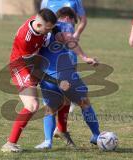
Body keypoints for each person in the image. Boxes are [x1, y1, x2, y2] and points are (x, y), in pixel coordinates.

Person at [34, 7, 100, 149]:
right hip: (65, 73)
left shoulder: (39, 28)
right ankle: (96, 135)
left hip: (46, 75)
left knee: (50, 109)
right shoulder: (64, 24)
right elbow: (69, 39)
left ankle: (47, 141)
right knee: (84, 103)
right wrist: (84, 57)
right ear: (68, 18)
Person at [1, 9, 64, 152]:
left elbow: (54, 26)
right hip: (21, 67)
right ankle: (9, 144)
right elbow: (32, 65)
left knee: (59, 96)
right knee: (32, 105)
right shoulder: (26, 38)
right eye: (48, 29)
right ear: (40, 26)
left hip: (34, 63)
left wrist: (57, 32)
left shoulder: (41, 23)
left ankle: (61, 129)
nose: (49, 32)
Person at [40, 0, 87, 143]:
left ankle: (61, 130)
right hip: (50, 54)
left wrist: (76, 33)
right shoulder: (46, 1)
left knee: (67, 94)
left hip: (68, 51)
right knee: (52, 98)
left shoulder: (75, 1)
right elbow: (41, 19)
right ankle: (52, 135)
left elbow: (83, 20)